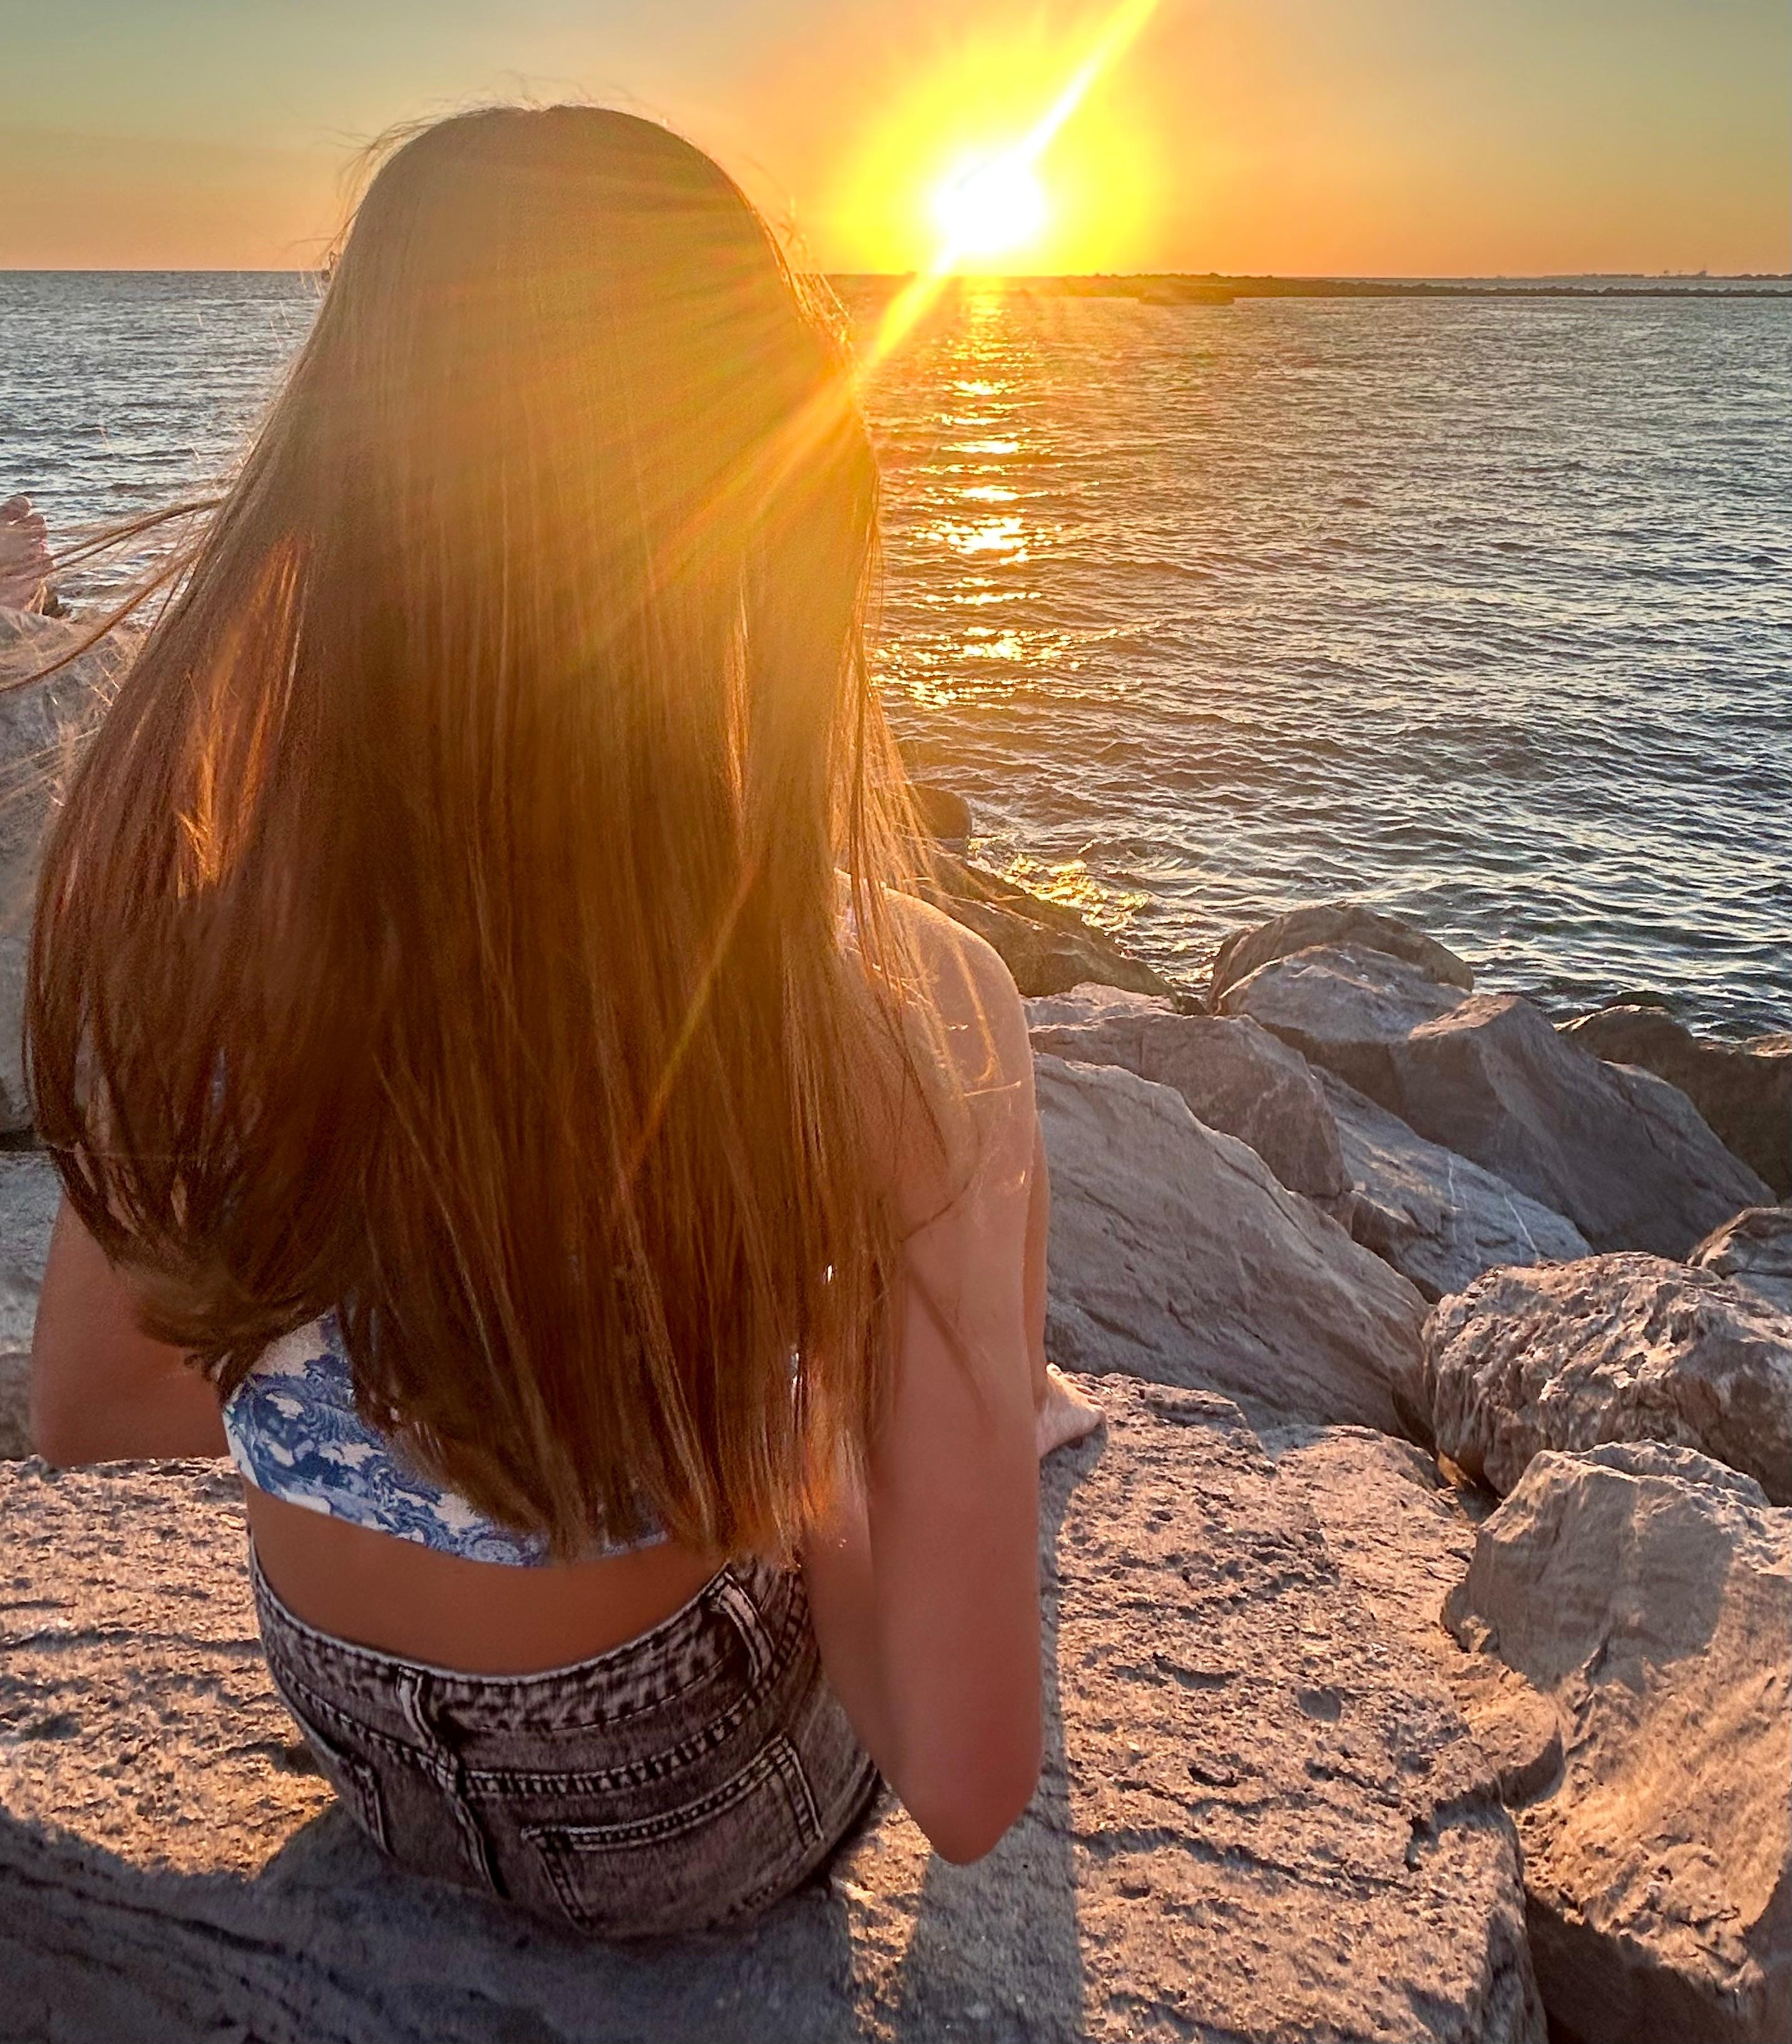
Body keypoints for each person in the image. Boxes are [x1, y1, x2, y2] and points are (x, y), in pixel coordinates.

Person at [24, 105, 1100, 1938]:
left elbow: (86, 1405)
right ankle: (997, 1432)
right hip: (688, 1792)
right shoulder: (867, 1008)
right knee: (960, 1074)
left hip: (354, 1725)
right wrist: (740, 1435)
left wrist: (412, 1394)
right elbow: (972, 1786)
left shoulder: (190, 932)